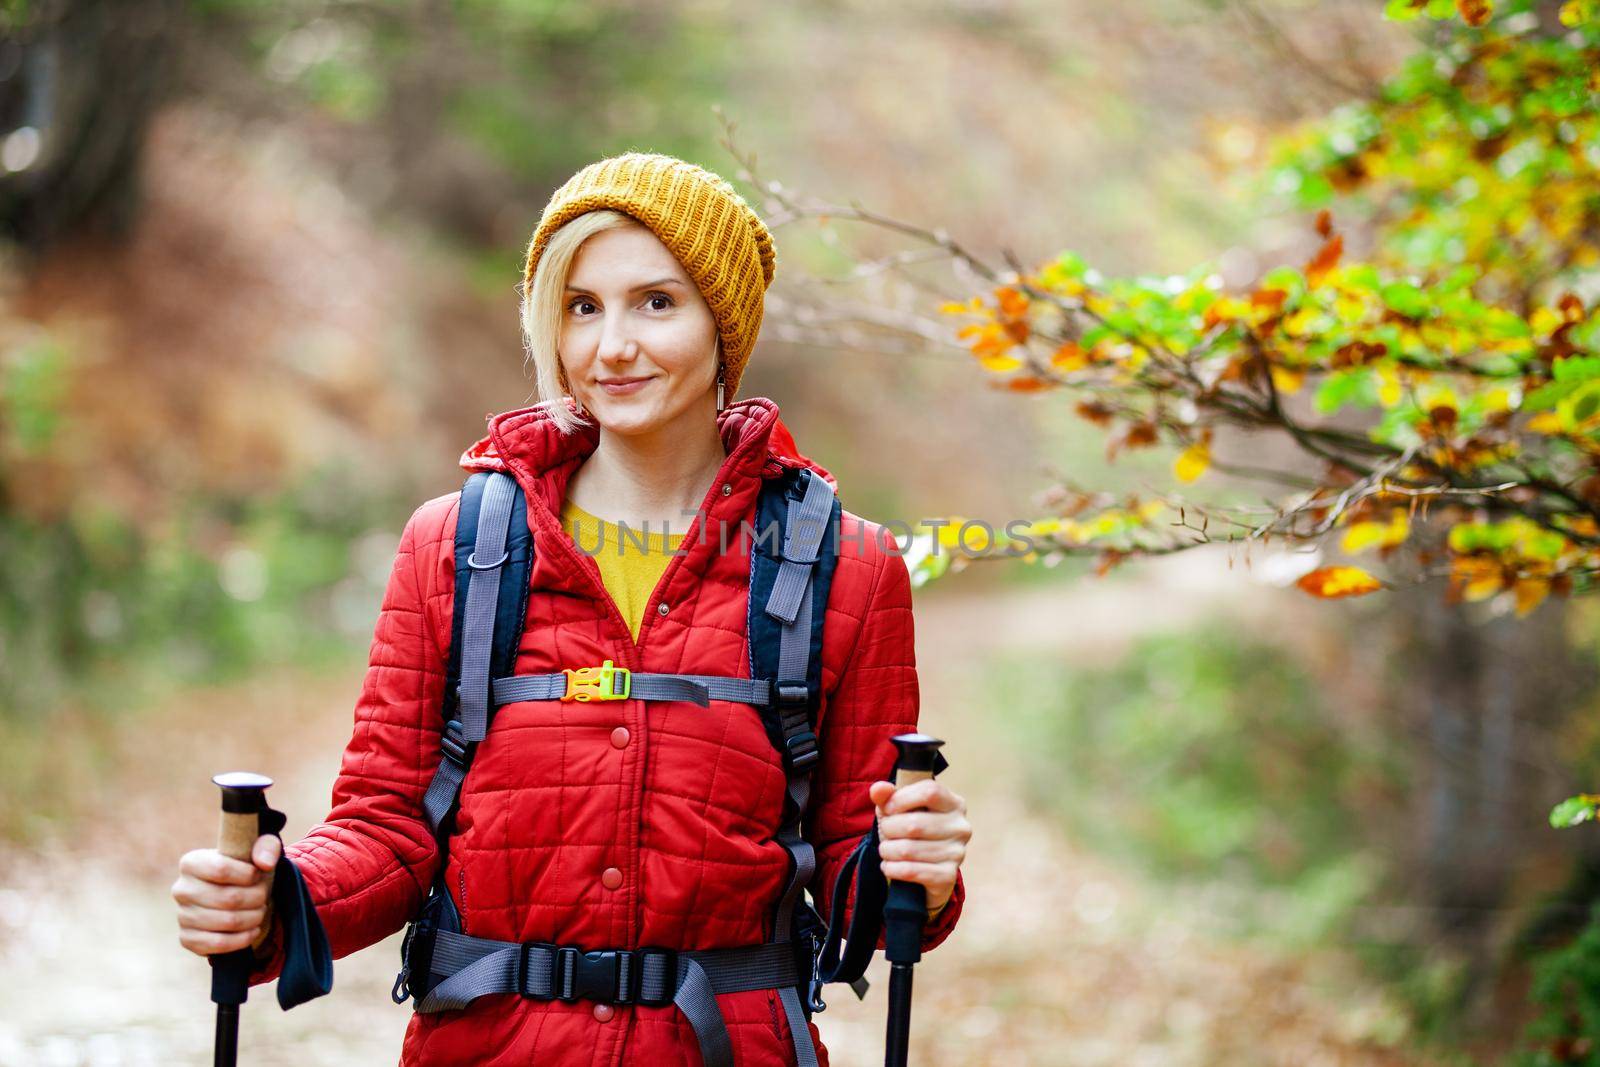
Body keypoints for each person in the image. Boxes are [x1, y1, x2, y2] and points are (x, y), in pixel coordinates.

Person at [171, 151, 970, 1065]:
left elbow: (857, 874)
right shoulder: (455, 544)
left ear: (725, 320)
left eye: (656, 302)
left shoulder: (848, 565)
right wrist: (276, 901)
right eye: (581, 306)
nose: (611, 346)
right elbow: (387, 824)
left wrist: (922, 873)